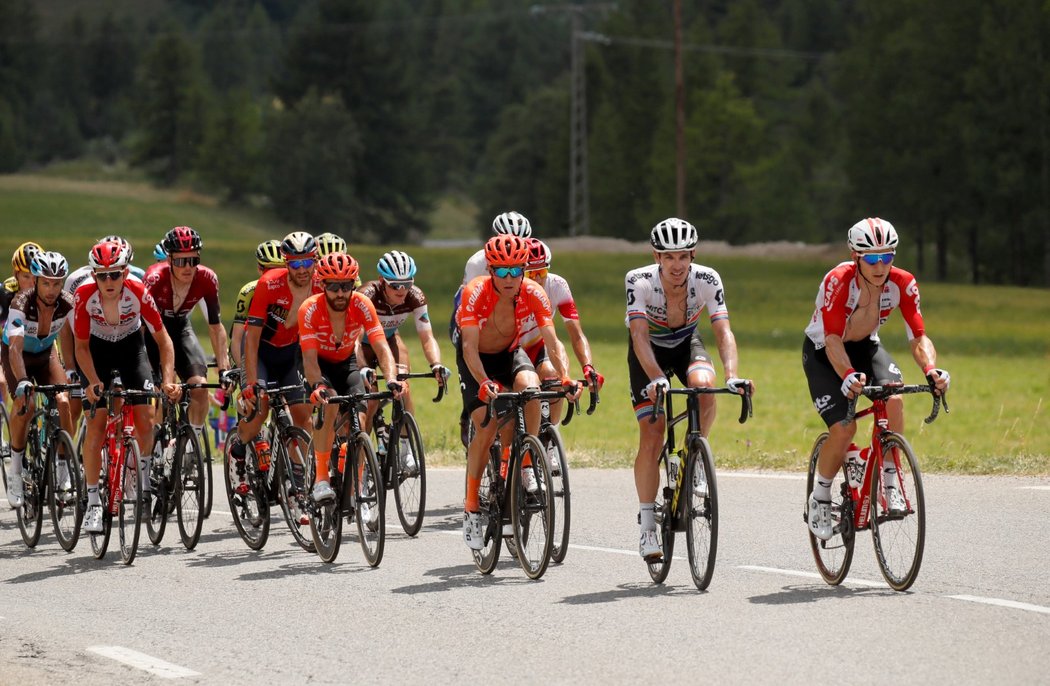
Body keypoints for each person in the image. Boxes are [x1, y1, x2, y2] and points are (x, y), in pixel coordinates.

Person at [803, 218, 950, 540]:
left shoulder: (903, 282)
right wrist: (846, 375)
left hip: (866, 347)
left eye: (887, 256)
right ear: (856, 256)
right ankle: (822, 496)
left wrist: (931, 370)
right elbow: (831, 339)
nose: (880, 265)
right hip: (825, 351)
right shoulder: (838, 280)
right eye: (872, 258)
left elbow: (918, 335)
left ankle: (890, 479)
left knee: (894, 398)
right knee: (844, 427)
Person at [626, 218, 752, 560]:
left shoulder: (707, 279)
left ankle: (694, 453)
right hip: (648, 352)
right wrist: (655, 377)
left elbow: (723, 331)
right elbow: (638, 336)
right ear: (656, 257)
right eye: (669, 258)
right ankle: (648, 525)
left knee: (704, 387)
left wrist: (732, 375)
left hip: (685, 344)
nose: (677, 265)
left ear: (692, 255)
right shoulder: (638, 281)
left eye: (683, 256)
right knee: (652, 435)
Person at [456, 235, 579, 550]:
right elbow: (469, 347)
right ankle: (471, 507)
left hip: (510, 353)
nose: (510, 279)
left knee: (532, 389)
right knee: (487, 427)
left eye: (516, 271)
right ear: (491, 270)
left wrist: (565, 376)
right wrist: (483, 381)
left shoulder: (533, 292)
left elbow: (551, 339)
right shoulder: (475, 293)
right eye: (503, 272)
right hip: (478, 360)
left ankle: (526, 460)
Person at [72, 238, 180, 533]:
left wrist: (168, 381)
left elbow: (164, 341)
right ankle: (94, 501)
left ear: (126, 272)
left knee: (146, 418)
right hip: (96, 351)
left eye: (115, 274)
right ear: (94, 275)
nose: (109, 281)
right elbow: (81, 347)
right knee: (96, 423)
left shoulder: (138, 292)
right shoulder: (83, 296)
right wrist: (93, 381)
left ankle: (142, 481)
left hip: (132, 348)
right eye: (102, 275)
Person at [298, 252, 402, 510]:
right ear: (322, 285)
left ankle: (356, 485)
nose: (341, 293)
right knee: (330, 403)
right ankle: (321, 478)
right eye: (334, 286)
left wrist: (391, 378)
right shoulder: (309, 308)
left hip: (346, 364)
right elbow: (309, 360)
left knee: (362, 418)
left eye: (346, 285)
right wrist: (317, 386)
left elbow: (381, 346)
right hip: (318, 366)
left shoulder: (362, 304)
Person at [233, 232, 321, 520]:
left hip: (292, 353)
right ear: (286, 263)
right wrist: (250, 382)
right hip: (262, 353)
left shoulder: (321, 283)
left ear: (315, 259)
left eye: (307, 261)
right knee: (260, 411)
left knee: (303, 417)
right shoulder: (269, 284)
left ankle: (299, 486)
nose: (302, 269)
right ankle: (238, 448)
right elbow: (253, 336)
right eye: (295, 264)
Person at [357, 250, 450, 474]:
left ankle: (406, 451)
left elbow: (427, 337)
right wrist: (363, 368)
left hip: (390, 341)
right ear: (382, 282)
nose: (402, 290)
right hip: (363, 346)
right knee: (370, 402)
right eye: (394, 285)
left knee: (403, 387)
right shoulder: (367, 294)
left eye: (407, 283)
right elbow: (356, 339)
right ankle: (363, 455)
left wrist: (436, 364)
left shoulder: (415, 296)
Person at [449, 211, 533, 446]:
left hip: (507, 318)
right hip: (470, 316)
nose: (513, 246)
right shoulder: (478, 262)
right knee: (473, 351)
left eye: (523, 242)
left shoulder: (532, 257)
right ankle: (471, 409)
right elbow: (467, 304)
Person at [143, 226, 230, 447]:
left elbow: (215, 327)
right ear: (169, 259)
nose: (188, 267)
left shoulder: (207, 278)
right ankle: (157, 448)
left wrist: (223, 370)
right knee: (160, 392)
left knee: (199, 387)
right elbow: (140, 327)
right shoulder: (154, 278)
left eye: (193, 260)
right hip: (152, 335)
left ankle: (191, 448)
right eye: (181, 261)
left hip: (181, 330)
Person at [2, 251, 76, 507]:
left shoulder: (67, 302)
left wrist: (74, 370)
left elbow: (74, 337)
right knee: (27, 404)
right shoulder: (21, 302)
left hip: (46, 355)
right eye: (46, 282)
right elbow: (14, 348)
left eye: (57, 283)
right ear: (35, 280)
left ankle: (64, 470)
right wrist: (22, 380)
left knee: (65, 401)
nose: (52, 289)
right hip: (18, 355)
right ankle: (16, 471)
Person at [517, 238, 604, 432]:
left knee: (553, 376)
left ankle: (549, 435)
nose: (538, 279)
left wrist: (588, 368)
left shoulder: (557, 285)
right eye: (531, 273)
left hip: (537, 344)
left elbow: (576, 334)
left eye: (542, 272)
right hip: (511, 349)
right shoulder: (510, 289)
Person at [230, 239, 285, 367]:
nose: (274, 276)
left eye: (281, 270)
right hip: (253, 348)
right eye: (269, 270)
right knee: (230, 383)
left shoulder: (298, 291)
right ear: (259, 269)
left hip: (284, 351)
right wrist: (241, 370)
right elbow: (237, 339)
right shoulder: (248, 292)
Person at [1, 242, 43, 400]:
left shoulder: (47, 292)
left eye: (35, 277)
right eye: (26, 276)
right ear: (16, 274)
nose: (32, 282)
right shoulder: (5, 293)